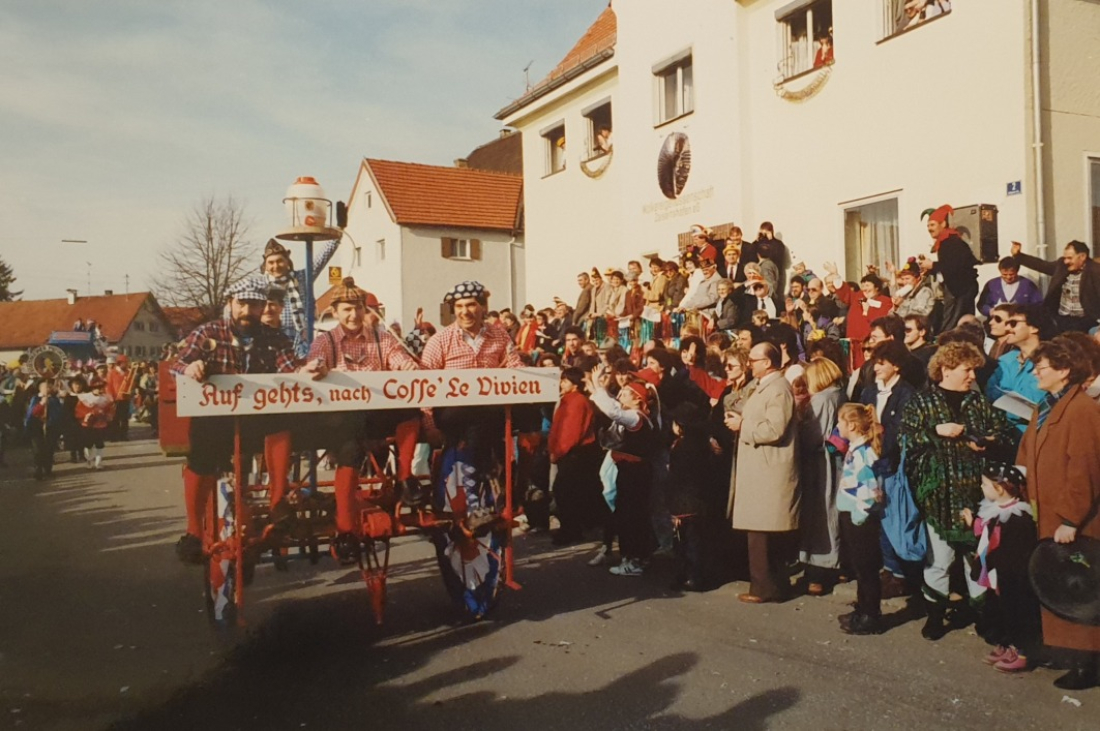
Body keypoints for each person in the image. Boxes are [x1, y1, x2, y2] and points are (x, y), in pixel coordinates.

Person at [171, 277, 309, 565]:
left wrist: (308, 370)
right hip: (217, 419)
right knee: (202, 452)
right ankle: (193, 531)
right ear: (231, 304)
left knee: (281, 422)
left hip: (256, 419)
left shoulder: (273, 337)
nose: (248, 311)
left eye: (255, 305)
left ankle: (278, 503)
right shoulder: (209, 332)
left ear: (263, 307)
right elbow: (178, 363)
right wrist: (191, 367)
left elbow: (290, 367)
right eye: (242, 304)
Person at [900, 342, 1014, 640]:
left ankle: (983, 616)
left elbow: (1005, 434)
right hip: (937, 495)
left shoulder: (978, 403)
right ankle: (935, 616)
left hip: (976, 495)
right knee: (939, 559)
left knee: (976, 558)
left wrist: (987, 440)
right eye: (967, 369)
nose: (972, 375)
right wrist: (934, 432)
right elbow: (904, 441)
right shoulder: (921, 403)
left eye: (974, 369)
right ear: (946, 369)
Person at [303, 278, 421, 562]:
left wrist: (411, 370)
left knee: (411, 412)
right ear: (335, 311)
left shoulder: (383, 338)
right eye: (346, 309)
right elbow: (314, 362)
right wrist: (316, 368)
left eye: (357, 308)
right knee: (350, 447)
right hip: (341, 418)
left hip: (376, 413)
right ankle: (345, 529)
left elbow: (402, 361)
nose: (353, 315)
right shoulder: (325, 341)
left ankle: (405, 477)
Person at [1017, 340, 1100, 689]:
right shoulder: (1047, 405)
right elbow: (1027, 450)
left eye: (1043, 367)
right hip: (1045, 508)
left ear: (1064, 371)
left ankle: (1087, 663)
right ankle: (1066, 652)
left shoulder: (1082, 410)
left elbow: (1085, 469)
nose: (1036, 372)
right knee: (1056, 584)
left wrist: (1070, 518)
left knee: (1078, 589)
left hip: (1069, 518)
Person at [727, 342, 799, 603]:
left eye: (754, 360)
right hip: (760, 469)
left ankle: (765, 587)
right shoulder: (765, 387)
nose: (750, 364)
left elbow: (773, 429)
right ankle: (768, 585)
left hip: (768, 470)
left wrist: (742, 424)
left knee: (762, 533)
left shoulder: (778, 390)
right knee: (760, 532)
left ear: (768, 363)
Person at [960, 463, 1040, 674]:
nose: (981, 487)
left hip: (1011, 575)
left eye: (985, 484)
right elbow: (988, 532)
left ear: (1000, 489)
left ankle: (1022, 652)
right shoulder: (996, 510)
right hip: (997, 572)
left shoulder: (1017, 517)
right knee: (1001, 610)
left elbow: (1012, 550)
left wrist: (999, 565)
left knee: (1017, 612)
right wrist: (973, 524)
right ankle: (1007, 643)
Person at [590, 369, 658, 577]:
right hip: (633, 471)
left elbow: (614, 411)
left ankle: (633, 560)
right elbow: (613, 406)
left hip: (634, 473)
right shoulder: (638, 416)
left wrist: (599, 388)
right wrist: (595, 386)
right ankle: (638, 557)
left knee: (630, 516)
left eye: (626, 393)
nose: (620, 396)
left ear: (637, 399)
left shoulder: (636, 417)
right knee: (633, 514)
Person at [835, 403, 886, 635]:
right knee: (859, 567)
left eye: (840, 422)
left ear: (852, 425)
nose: (837, 426)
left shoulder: (863, 454)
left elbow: (870, 490)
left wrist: (859, 515)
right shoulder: (855, 449)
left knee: (867, 569)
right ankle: (862, 608)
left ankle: (870, 615)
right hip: (851, 514)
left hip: (860, 519)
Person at [799, 357, 845, 596]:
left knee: (820, 514)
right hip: (834, 462)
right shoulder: (839, 394)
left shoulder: (822, 399)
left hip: (820, 464)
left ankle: (819, 569)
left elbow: (812, 435)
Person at [260, 237, 340, 357]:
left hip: (302, 340)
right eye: (271, 262)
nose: (275, 266)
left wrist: (337, 234)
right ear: (265, 266)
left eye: (279, 261)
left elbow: (322, 258)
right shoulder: (260, 285)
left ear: (287, 262)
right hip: (273, 340)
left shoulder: (301, 278)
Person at [547, 367, 601, 545]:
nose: (561, 383)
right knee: (568, 493)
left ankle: (571, 531)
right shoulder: (567, 400)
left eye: (565, 380)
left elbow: (570, 432)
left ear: (575, 384)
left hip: (574, 454)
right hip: (569, 453)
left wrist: (558, 452)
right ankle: (571, 529)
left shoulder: (576, 401)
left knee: (565, 492)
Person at [985, 304, 1053, 436]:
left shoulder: (1051, 362)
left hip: (1036, 434)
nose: (1007, 328)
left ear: (1034, 328)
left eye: (1013, 323)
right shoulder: (1006, 360)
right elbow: (990, 392)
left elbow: (1043, 402)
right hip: (1003, 433)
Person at [1011, 240, 1100, 333]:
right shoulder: (1062, 265)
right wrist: (1018, 256)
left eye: (1070, 258)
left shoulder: (1095, 271)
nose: (1066, 261)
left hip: (1086, 321)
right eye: (1065, 258)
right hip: (1062, 319)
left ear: (1082, 256)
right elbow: (1041, 265)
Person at [822, 262, 894, 368]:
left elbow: (881, 322)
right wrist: (836, 275)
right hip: (851, 346)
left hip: (870, 347)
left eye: (868, 285)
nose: (864, 289)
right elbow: (845, 293)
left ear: (877, 288)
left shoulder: (885, 301)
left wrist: (868, 311)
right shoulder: (859, 298)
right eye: (863, 286)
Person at [921, 205, 979, 331]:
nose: (929, 229)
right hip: (957, 290)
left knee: (955, 326)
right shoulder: (946, 241)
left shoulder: (951, 242)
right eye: (928, 226)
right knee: (954, 324)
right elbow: (949, 265)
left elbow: (956, 266)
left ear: (943, 224)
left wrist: (933, 265)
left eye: (932, 225)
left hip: (961, 290)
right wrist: (931, 269)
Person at [977, 257, 1043, 317]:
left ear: (1017, 271)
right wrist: (990, 311)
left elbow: (1038, 305)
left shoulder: (1028, 285)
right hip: (997, 323)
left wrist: (1024, 311)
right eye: (1004, 274)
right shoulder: (991, 284)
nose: (1008, 277)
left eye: (1011, 274)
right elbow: (982, 304)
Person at [25, 380, 63, 480]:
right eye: (45, 387)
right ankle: (38, 469)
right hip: (36, 428)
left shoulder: (54, 400)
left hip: (50, 428)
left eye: (49, 387)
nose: (47, 389)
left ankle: (48, 469)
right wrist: (41, 404)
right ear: (40, 388)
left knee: (49, 449)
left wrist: (51, 420)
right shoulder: (35, 398)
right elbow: (32, 414)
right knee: (38, 449)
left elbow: (58, 414)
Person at [76, 377, 113, 470]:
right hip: (88, 425)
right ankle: (89, 460)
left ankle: (98, 463)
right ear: (92, 388)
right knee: (88, 444)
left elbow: (110, 411)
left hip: (100, 424)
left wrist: (107, 415)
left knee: (100, 444)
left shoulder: (106, 398)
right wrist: (86, 415)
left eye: (102, 387)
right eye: (98, 388)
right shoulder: (85, 397)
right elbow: (78, 411)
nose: (101, 390)